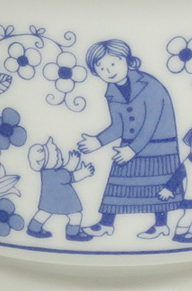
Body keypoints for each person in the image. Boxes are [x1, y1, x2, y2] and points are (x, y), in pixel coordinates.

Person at [78, 39, 183, 239]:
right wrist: (98, 141)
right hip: (131, 142)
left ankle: (161, 225)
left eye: (113, 63)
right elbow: (118, 125)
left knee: (158, 184)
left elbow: (151, 123)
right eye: (101, 67)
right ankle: (106, 224)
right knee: (117, 183)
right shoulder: (111, 92)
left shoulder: (149, 85)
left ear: (127, 61)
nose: (108, 70)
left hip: (159, 144)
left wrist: (132, 150)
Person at [26, 137, 95, 242]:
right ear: (50, 161)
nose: (61, 158)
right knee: (76, 216)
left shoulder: (46, 172)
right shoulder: (56, 174)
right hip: (64, 200)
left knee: (43, 213)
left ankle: (33, 229)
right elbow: (70, 176)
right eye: (58, 157)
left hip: (49, 200)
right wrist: (84, 172)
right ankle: (72, 234)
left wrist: (71, 163)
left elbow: (64, 172)